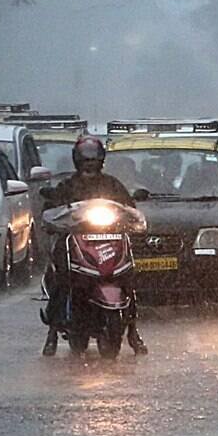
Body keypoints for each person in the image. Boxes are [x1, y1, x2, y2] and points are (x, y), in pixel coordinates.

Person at [41, 136, 146, 356]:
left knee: (128, 276)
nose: (90, 163)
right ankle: (52, 329)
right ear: (77, 160)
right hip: (77, 240)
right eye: (85, 158)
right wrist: (55, 218)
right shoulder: (67, 185)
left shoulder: (112, 184)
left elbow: (128, 206)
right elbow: (52, 209)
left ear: (101, 159)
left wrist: (131, 216)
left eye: (93, 158)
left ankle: (133, 331)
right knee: (62, 273)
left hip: (109, 239)